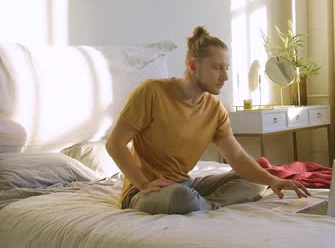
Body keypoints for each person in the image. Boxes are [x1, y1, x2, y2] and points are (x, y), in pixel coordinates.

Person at [106, 26, 309, 215]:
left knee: (256, 181)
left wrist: (273, 181)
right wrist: (142, 184)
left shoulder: (215, 109)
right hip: (146, 192)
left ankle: (202, 205)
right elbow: (114, 143)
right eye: (217, 68)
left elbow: (237, 158)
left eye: (226, 68)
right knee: (180, 197)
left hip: (185, 184)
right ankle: (196, 204)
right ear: (193, 66)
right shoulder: (151, 92)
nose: (225, 77)